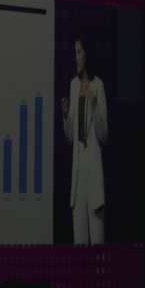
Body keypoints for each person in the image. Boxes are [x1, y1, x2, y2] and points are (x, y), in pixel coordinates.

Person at [60, 34, 108, 244]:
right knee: (79, 247)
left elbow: (103, 134)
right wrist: (65, 115)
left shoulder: (98, 85)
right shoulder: (72, 85)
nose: (76, 57)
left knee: (97, 245)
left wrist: (92, 98)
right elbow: (71, 137)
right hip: (78, 178)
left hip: (94, 176)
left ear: (87, 54)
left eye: (79, 52)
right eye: (75, 53)